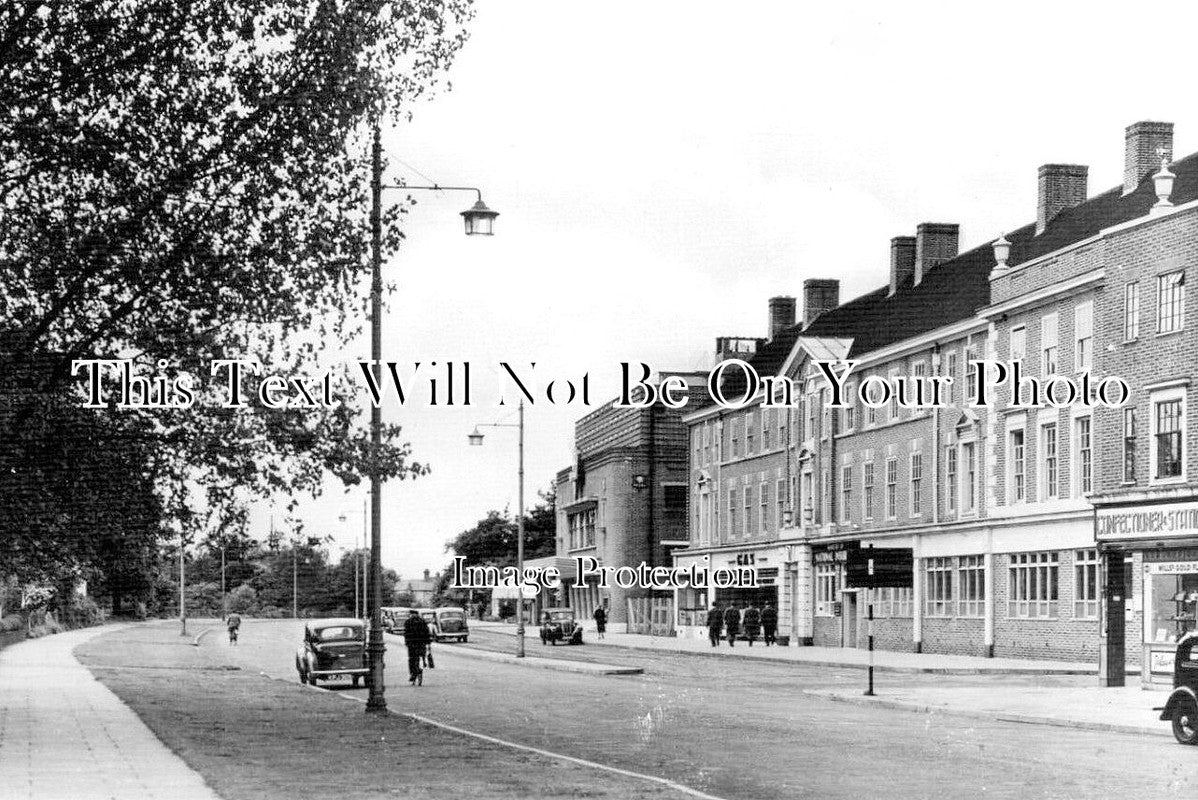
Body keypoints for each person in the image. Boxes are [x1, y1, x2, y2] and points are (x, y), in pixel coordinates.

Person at [402, 609, 431, 686]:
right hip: (421, 645)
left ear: (411, 614)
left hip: (412, 645)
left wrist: (407, 643)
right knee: (420, 657)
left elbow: (406, 634)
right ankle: (421, 667)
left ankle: (413, 673)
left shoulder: (408, 622)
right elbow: (427, 633)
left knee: (411, 660)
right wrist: (428, 643)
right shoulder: (422, 621)